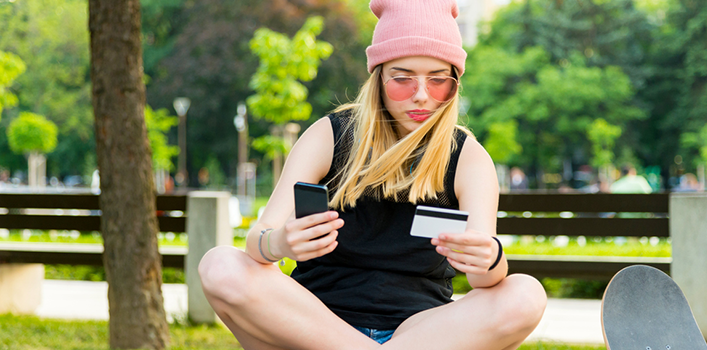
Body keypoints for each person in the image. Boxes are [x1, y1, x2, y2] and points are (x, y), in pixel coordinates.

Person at [198, 1, 547, 349]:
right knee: (220, 265)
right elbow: (258, 238)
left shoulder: (468, 157)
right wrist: (280, 243)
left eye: (438, 81)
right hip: (315, 324)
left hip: (420, 332)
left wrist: (490, 258)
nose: (421, 96)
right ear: (378, 76)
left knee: (525, 294)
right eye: (402, 79)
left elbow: (485, 280)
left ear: (455, 84)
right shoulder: (330, 135)